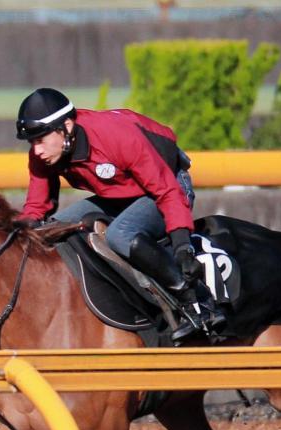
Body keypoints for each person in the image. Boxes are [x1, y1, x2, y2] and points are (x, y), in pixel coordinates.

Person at [14, 87, 225, 343]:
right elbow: (36, 209)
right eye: (32, 142)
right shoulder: (45, 154)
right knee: (58, 228)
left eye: (40, 140)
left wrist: (183, 246)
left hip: (169, 185)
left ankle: (196, 300)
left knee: (121, 234)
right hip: (120, 195)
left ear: (67, 127)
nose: (36, 151)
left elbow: (167, 192)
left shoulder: (115, 136)